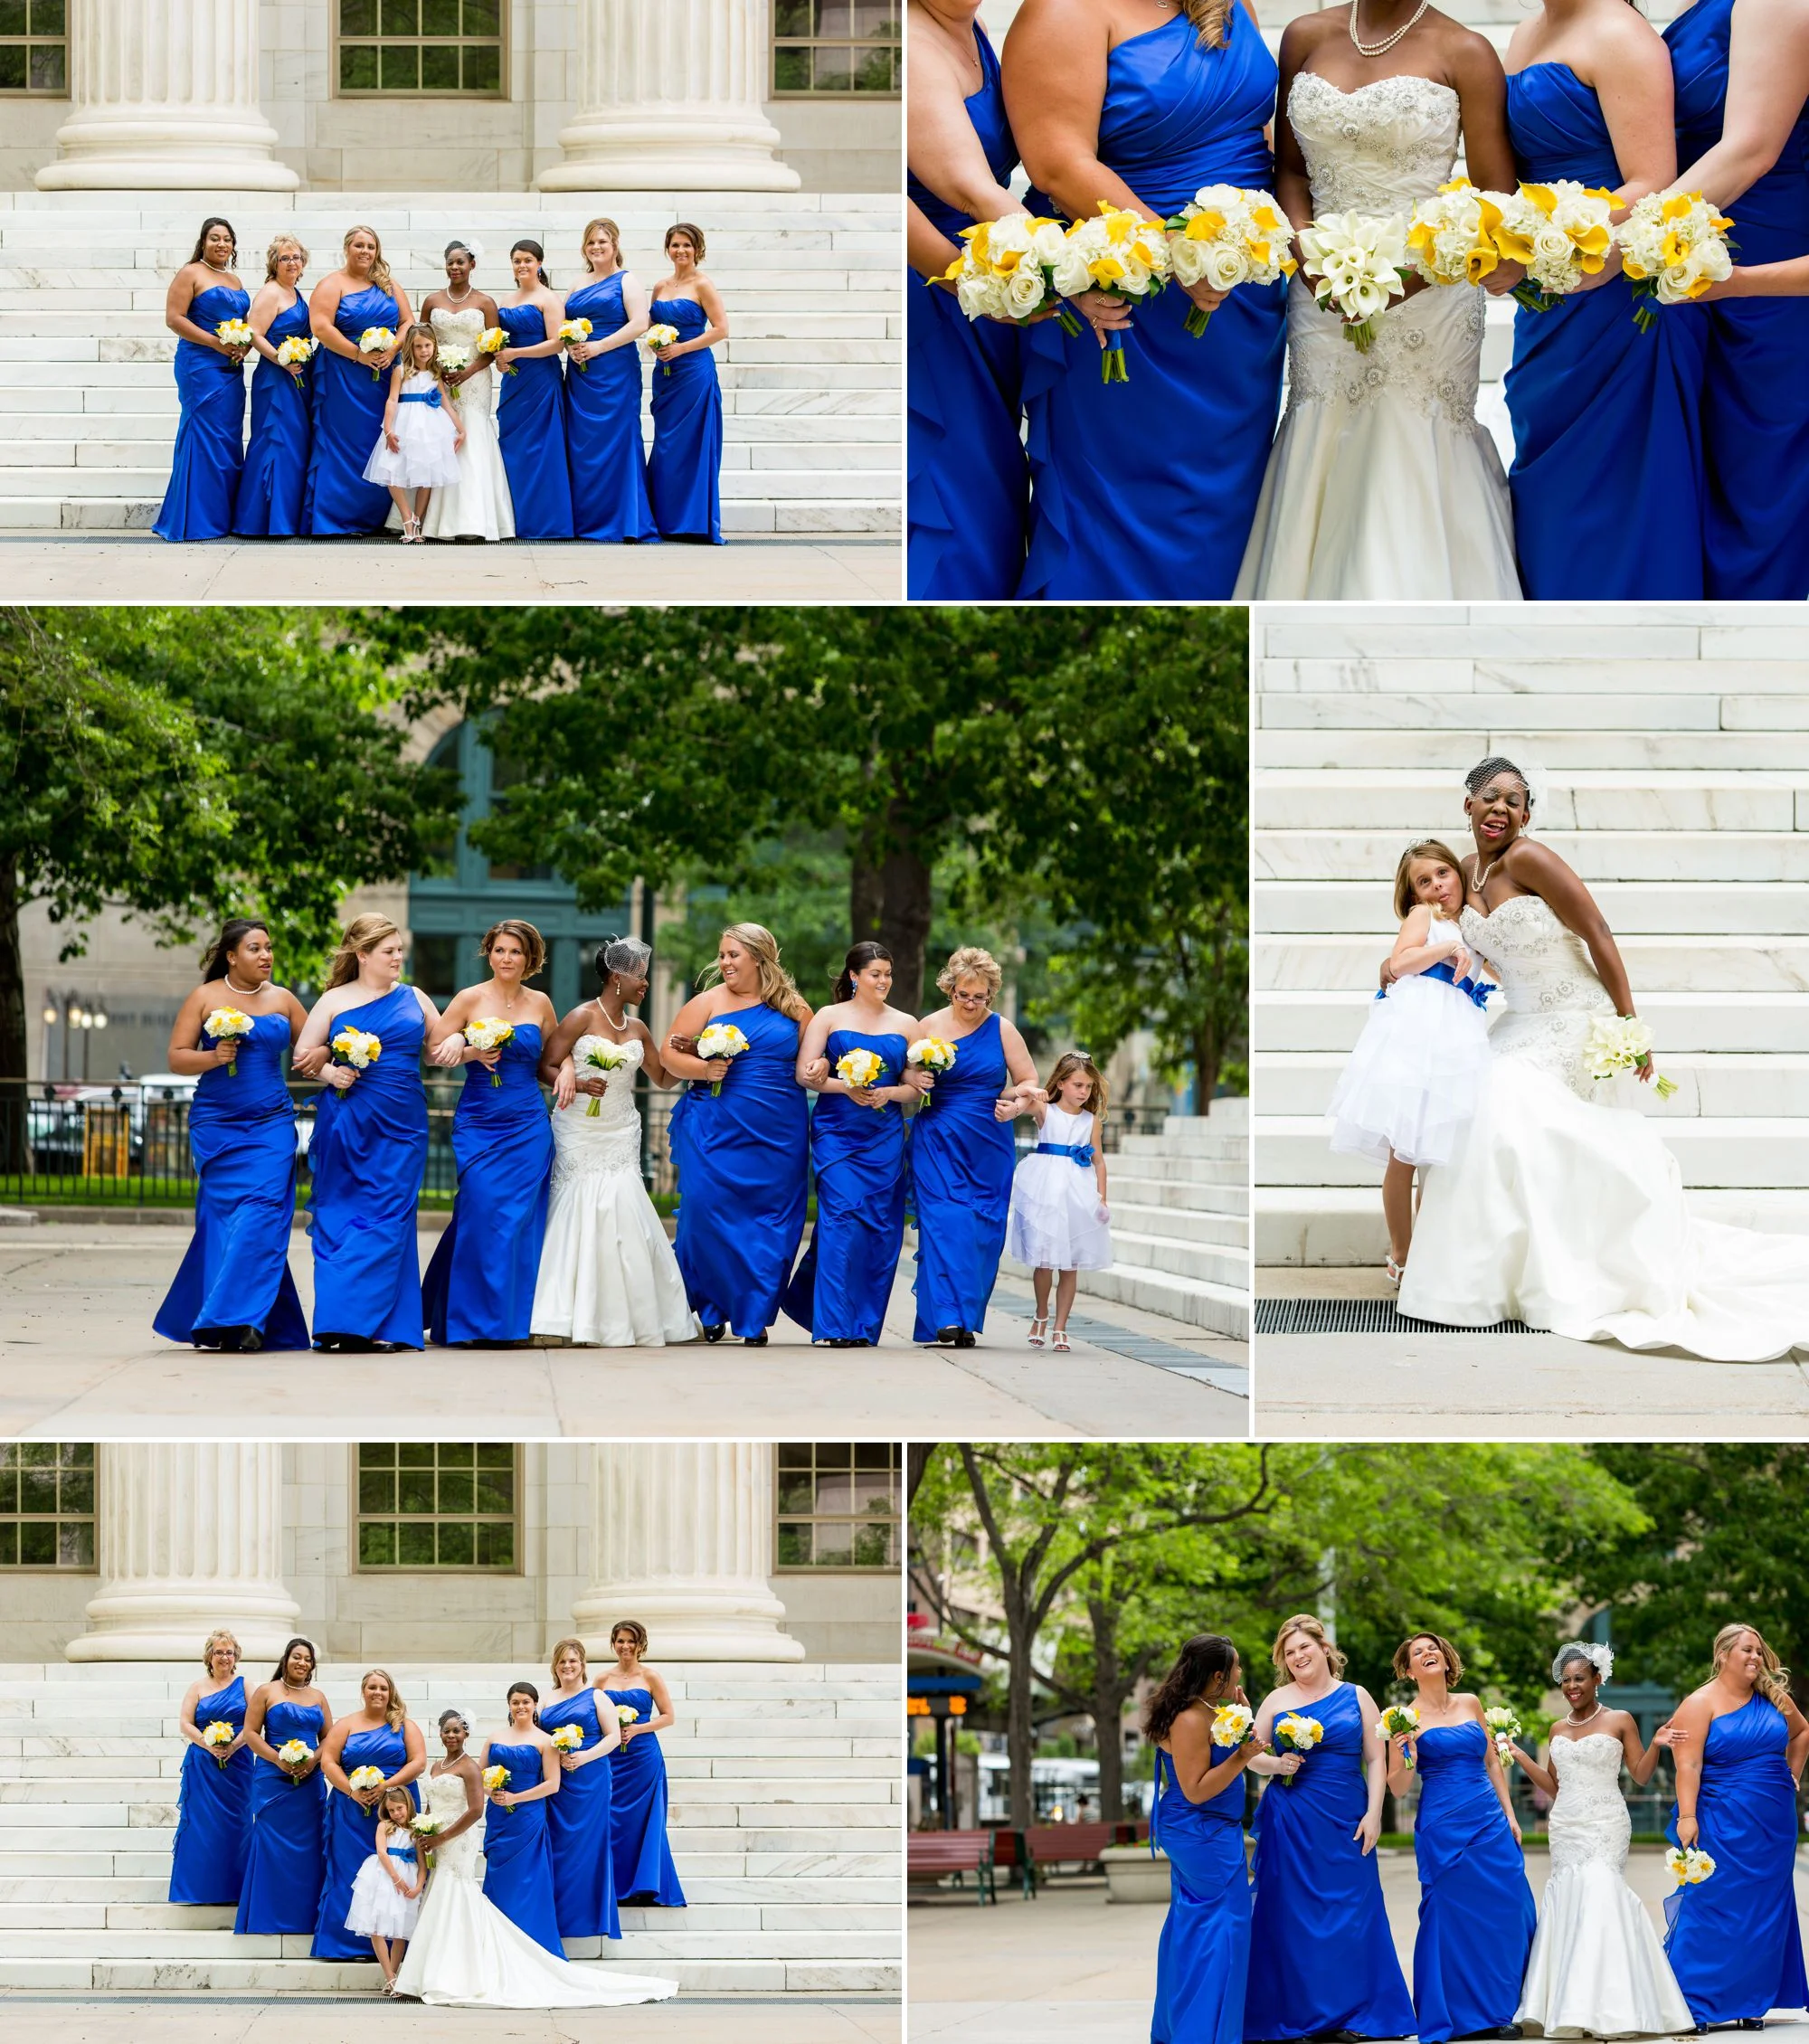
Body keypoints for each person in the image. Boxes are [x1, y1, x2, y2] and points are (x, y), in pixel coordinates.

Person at [1398, 752, 1809, 1355]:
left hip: (1573, 1016)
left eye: (1514, 801)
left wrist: (1629, 1024)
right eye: (1490, 797)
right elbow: (1453, 945)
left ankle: (1557, 1271)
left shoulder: (1530, 858)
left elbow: (1598, 933)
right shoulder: (1464, 871)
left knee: (1503, 1101)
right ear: (1468, 805)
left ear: (1526, 816)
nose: (1501, 808)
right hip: (1518, 1018)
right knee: (1470, 1102)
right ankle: (1491, 1279)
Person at [1001, 0, 1286, 598]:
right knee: (1122, 517)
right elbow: (1057, 165)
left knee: (1227, 519)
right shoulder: (1062, 12)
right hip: (1132, 303)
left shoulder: (1230, 5)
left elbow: (1250, 128)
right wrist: (1177, 254)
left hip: (1241, 316)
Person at [1236, 4, 1521, 598]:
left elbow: (1494, 199)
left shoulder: (1466, 51)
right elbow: (1291, 172)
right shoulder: (1305, 36)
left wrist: (1407, 279)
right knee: (1321, 428)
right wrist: (1310, 258)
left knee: (1408, 435)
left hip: (1428, 292)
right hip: (1320, 290)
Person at [1492, 0, 1706, 598]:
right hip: (1549, 297)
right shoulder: (1529, 31)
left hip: (1615, 297)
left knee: (1616, 487)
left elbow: (1654, 182)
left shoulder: (1620, 33)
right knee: (1549, 483)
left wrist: (1546, 240)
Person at [393, 1706, 677, 2009]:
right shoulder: (436, 1767)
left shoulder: (470, 1767)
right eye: (446, 1730)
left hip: (457, 1840)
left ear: (466, 1734)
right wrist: (423, 1828)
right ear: (439, 1733)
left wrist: (442, 1836)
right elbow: (431, 1804)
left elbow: (476, 1810)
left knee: (456, 1890)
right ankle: (432, 1968)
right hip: (436, 1837)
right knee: (439, 1892)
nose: (451, 1735)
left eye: (456, 1730)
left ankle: (455, 1970)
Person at [1667, 0, 1809, 598]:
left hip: (1767, 270)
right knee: (1711, 465)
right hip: (1700, 260)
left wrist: (1628, 240)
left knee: (1765, 474)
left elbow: (1752, 148)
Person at [906, 0, 1032, 597]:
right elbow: (973, 190)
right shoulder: (909, 43)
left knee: (992, 483)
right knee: (956, 496)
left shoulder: (972, 26)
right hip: (937, 291)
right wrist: (1070, 272)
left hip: (991, 286)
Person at [1503, 1642, 1694, 2036]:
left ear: (1597, 1679)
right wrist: (1520, 1756)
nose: (1571, 1686)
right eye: (1566, 1680)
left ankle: (1613, 2007)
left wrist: (1657, 1745)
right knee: (1571, 1900)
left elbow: (1641, 1775)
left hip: (1606, 1823)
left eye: (1579, 1679)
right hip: (1566, 1825)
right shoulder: (1557, 1729)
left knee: (1601, 1892)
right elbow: (1554, 1786)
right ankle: (1572, 2006)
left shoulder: (1620, 1720)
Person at [1325, 842, 1492, 1284]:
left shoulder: (1472, 929)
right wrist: (1446, 949)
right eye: (1424, 881)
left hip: (1457, 1045)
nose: (1437, 885)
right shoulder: (1426, 918)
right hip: (1418, 1039)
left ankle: (1429, 1256)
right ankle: (1401, 1252)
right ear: (1414, 894)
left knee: (1437, 1160)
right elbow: (1400, 963)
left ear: (1458, 873)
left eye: (1443, 873)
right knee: (1405, 1154)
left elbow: (1498, 970)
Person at [1244, 1613, 1416, 2041]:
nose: (1298, 1656)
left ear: (1324, 1648)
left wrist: (1374, 1813)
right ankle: (1301, 2016)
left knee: (1353, 1912)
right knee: (1293, 1917)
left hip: (1346, 1819)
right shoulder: (1276, 1700)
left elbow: (1375, 1758)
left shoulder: (1356, 1695)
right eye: (1289, 1652)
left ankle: (1354, 2013)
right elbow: (1251, 1755)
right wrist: (1276, 1764)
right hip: (1292, 1820)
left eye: (1304, 1646)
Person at [291, 914, 449, 1353]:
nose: (398, 958)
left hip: (403, 1124)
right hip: (349, 1121)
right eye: (389, 951)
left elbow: (437, 1052)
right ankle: (342, 1322)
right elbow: (302, 1054)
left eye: (400, 950)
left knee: (392, 1216)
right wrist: (330, 1073)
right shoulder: (334, 1000)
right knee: (342, 1216)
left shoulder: (415, 997)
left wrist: (470, 1046)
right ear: (362, 955)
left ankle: (385, 1326)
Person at [530, 937, 698, 1348]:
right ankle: (566, 1314)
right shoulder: (581, 1017)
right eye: (641, 976)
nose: (646, 983)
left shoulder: (638, 1028)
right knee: (579, 1206)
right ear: (617, 977)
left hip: (622, 1130)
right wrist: (575, 1081)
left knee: (625, 1210)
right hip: (579, 1129)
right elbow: (545, 1066)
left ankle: (629, 1315)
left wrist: (696, 1055)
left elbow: (664, 1078)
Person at [153, 918, 310, 1352]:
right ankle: (239, 1319)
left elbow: (312, 1048)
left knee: (262, 1212)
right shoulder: (204, 997)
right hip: (217, 1124)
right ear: (231, 956)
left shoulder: (283, 999)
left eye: (269, 947)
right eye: (255, 948)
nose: (266, 955)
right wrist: (213, 1057)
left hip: (272, 1123)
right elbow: (176, 1058)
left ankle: (240, 1319)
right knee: (223, 1220)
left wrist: (339, 1063)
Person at [664, 924, 813, 1344]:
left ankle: (754, 1314)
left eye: (734, 955)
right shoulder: (707, 1002)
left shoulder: (795, 1008)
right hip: (716, 1126)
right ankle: (710, 1306)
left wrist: (823, 1069)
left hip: (778, 1131)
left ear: (759, 958)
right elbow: (668, 1055)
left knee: (772, 1221)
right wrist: (703, 1068)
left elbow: (810, 1064)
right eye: (723, 955)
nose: (725, 962)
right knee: (704, 1213)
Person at [1384, 1632, 1534, 2043]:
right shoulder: (1403, 1718)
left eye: (1432, 1648)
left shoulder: (1470, 1703)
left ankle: (1502, 2008)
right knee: (1451, 1917)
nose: (1427, 1653)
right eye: (1417, 1653)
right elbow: (1397, 1787)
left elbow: (1491, 1761)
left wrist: (1509, 1814)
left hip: (1488, 1818)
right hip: (1443, 1825)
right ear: (1409, 1671)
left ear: (1446, 1660)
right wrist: (1408, 1754)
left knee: (1510, 1907)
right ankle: (1457, 2015)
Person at [1662, 1623, 1809, 2029]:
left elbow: (1801, 1732)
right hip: (1721, 1819)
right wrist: (1688, 1817)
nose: (1756, 1658)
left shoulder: (1773, 1697)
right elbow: (1688, 1765)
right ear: (1723, 1654)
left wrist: (1792, 1775)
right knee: (1713, 1904)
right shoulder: (1699, 1703)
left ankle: (1749, 2000)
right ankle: (1697, 2000)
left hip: (1774, 1823)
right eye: (1747, 1650)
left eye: (1759, 1651)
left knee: (1763, 1910)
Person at [781, 942, 926, 1348]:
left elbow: (915, 1088)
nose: (884, 981)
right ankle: (833, 1325)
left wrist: (888, 1094)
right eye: (876, 974)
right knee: (840, 1218)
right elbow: (804, 1075)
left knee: (879, 1226)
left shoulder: (907, 1024)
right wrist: (845, 1087)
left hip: (884, 1136)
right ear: (854, 976)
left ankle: (863, 1325)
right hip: (837, 1133)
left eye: (888, 974)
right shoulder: (829, 1016)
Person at [421, 921, 557, 1347]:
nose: (506, 958)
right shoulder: (469, 998)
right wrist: (469, 1051)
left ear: (529, 958)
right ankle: (467, 1323)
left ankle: (507, 1323)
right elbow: (432, 1053)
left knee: (518, 1222)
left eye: (515, 951)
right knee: (481, 1213)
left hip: (528, 1126)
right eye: (499, 950)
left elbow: (551, 1060)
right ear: (489, 953)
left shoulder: (541, 1003)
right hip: (479, 1122)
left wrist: (569, 1073)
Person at [909, 945, 1044, 1346]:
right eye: (963, 995)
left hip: (988, 1140)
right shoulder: (927, 1026)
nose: (970, 1003)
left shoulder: (1003, 1029)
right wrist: (916, 1080)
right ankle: (946, 1316)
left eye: (979, 997)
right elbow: (906, 1076)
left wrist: (1016, 1106)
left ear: (991, 994)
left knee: (982, 1230)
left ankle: (966, 1318)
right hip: (937, 1139)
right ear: (950, 989)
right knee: (944, 1223)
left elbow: (1028, 1081)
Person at [1145, 1633, 1263, 2044]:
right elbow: (1195, 1790)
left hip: (1213, 1829)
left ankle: (1193, 2028)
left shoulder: (1209, 1710)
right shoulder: (1191, 1719)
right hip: (1199, 1830)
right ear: (1217, 1676)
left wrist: (1242, 1720)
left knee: (1195, 1926)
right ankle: (1206, 2033)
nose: (1240, 1673)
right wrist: (1241, 1757)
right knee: (1227, 1926)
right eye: (1235, 1667)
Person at [304, 225, 413, 536]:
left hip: (383, 377)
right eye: (359, 245)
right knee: (344, 441)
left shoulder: (388, 284)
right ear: (347, 248)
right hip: (343, 376)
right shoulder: (331, 284)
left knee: (379, 439)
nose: (365, 251)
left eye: (371, 246)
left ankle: (377, 516)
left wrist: (393, 348)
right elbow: (321, 327)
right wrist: (358, 354)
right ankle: (337, 517)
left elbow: (407, 320)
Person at [311, 1668, 425, 1963]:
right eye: (372, 1687)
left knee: (397, 1871)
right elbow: (328, 1762)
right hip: (351, 1811)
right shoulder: (346, 1724)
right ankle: (346, 1943)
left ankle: (395, 1942)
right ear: (363, 1691)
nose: (377, 1692)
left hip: (395, 1809)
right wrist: (352, 1791)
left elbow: (418, 1762)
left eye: (383, 1688)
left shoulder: (405, 1726)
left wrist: (385, 1787)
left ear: (391, 1692)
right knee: (351, 1872)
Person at [1005, 1050, 1113, 1353]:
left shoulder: (1091, 1121)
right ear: (1061, 1083)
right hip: (1047, 1190)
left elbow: (1099, 1162)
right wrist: (1029, 1090)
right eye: (1078, 1085)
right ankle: (1041, 1315)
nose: (1084, 1092)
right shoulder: (1045, 1110)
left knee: (1071, 1264)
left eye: (1089, 1087)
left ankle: (1061, 1326)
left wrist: (1102, 1199)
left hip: (1077, 1194)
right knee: (1044, 1260)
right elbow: (1008, 1094)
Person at [152, 216, 250, 542]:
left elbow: (242, 322)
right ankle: (194, 519)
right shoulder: (191, 272)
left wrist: (242, 346)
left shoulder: (234, 280)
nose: (222, 244)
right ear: (203, 242)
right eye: (215, 238)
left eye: (227, 239)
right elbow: (174, 318)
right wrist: (214, 343)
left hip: (230, 366)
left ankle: (221, 516)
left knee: (227, 437)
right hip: (200, 364)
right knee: (203, 434)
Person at [563, 217, 659, 544]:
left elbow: (640, 323)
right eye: (591, 242)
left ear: (615, 245)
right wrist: (571, 347)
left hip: (615, 371)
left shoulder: (627, 280)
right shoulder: (577, 283)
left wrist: (598, 347)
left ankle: (624, 520)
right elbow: (562, 324)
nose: (596, 247)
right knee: (583, 445)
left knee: (618, 439)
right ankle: (586, 519)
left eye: (602, 241)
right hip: (581, 375)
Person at [419, 239, 516, 543]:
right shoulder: (432, 301)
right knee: (439, 436)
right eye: (450, 262)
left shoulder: (485, 303)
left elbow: (492, 348)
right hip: (440, 378)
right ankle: (428, 517)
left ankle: (472, 518)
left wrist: (467, 371)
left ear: (472, 265)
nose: (455, 267)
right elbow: (421, 341)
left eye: (460, 262)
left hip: (474, 381)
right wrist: (437, 371)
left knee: (471, 437)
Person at [236, 1637, 332, 1935]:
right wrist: (277, 1759)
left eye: (307, 1659)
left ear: (312, 1666)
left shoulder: (318, 1697)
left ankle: (305, 1916)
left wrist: (313, 1760)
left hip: (309, 1781)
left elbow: (329, 1738)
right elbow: (251, 1733)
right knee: (272, 1845)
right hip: (272, 1778)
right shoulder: (267, 1691)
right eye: (296, 1657)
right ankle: (268, 1915)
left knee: (309, 1846)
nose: (302, 1663)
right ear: (286, 1660)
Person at [646, 224, 727, 544]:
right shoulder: (660, 286)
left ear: (697, 249)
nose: (681, 251)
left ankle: (692, 521)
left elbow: (720, 329)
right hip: (666, 374)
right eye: (675, 245)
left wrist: (681, 348)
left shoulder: (703, 284)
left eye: (687, 245)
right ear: (667, 249)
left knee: (691, 444)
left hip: (694, 372)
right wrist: (655, 342)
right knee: (666, 444)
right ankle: (665, 518)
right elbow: (650, 324)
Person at [538, 1639, 624, 1945]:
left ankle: (589, 1916)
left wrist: (584, 1756)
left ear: (583, 1664)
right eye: (562, 1661)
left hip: (590, 1779)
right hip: (556, 1781)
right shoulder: (546, 1699)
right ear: (555, 1666)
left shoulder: (597, 1697)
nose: (568, 1666)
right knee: (558, 1843)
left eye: (573, 1661)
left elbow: (613, 1737)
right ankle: (558, 1914)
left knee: (587, 1843)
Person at [493, 238, 575, 539]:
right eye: (517, 261)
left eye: (528, 260)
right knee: (513, 445)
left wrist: (515, 353)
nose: (522, 265)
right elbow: (501, 342)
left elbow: (557, 344)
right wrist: (501, 359)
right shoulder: (506, 299)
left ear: (539, 264)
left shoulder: (549, 299)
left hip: (541, 380)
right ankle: (514, 518)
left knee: (543, 448)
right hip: (514, 382)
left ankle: (546, 521)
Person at [232, 233, 314, 538]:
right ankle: (261, 520)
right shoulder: (270, 292)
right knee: (274, 441)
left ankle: (285, 517)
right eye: (285, 258)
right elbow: (254, 333)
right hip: (275, 378)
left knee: (293, 444)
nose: (292, 263)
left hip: (297, 377)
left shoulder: (294, 291)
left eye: (296, 257)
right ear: (274, 263)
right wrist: (282, 360)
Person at [600, 1622, 687, 1909]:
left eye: (631, 1641)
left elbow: (668, 1716)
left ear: (641, 1645)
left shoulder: (650, 1677)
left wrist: (638, 1728)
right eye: (621, 1641)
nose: (626, 1646)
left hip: (643, 1758)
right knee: (612, 1818)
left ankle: (645, 1886)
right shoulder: (602, 1679)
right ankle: (613, 1885)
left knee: (643, 1820)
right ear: (613, 1644)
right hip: (612, 1758)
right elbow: (590, 1715)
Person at [168, 1630, 252, 1907]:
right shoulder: (197, 1687)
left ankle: (235, 1888)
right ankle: (200, 1889)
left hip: (238, 1764)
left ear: (236, 1657)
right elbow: (185, 1723)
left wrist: (233, 1746)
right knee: (203, 1825)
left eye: (229, 1652)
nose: (224, 1657)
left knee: (238, 1823)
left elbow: (254, 1724)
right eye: (219, 1652)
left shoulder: (246, 1686)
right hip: (204, 1765)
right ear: (209, 1656)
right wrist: (208, 1744)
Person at [479, 1684, 564, 1953]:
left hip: (528, 1817)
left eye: (526, 1702)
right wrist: (492, 1792)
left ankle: (529, 1941)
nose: (521, 1707)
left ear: (535, 1704)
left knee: (527, 1877)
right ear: (509, 1705)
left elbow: (552, 1784)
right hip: (499, 1816)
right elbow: (478, 1776)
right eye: (515, 1702)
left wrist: (516, 1798)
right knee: (500, 1876)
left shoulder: (546, 1740)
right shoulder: (494, 1737)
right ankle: (497, 1943)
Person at [364, 322, 464, 543]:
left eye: (427, 345)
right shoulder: (401, 371)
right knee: (391, 470)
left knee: (427, 475)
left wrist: (461, 430)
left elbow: (446, 404)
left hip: (430, 427)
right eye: (418, 346)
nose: (424, 351)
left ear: (434, 346)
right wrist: (388, 429)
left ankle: (418, 520)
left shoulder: (435, 373)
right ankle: (406, 517)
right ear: (410, 347)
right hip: (404, 424)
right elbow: (392, 401)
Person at [345, 1784, 425, 1992]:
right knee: (377, 1926)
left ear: (408, 1805)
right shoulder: (384, 1826)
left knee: (401, 1929)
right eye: (391, 1810)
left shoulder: (417, 1830)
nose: (396, 1813)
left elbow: (423, 1863)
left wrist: (418, 1886)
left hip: (408, 1878)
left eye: (399, 1808)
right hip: (384, 1876)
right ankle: (389, 1977)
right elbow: (382, 1852)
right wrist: (396, 1878)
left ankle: (394, 1977)